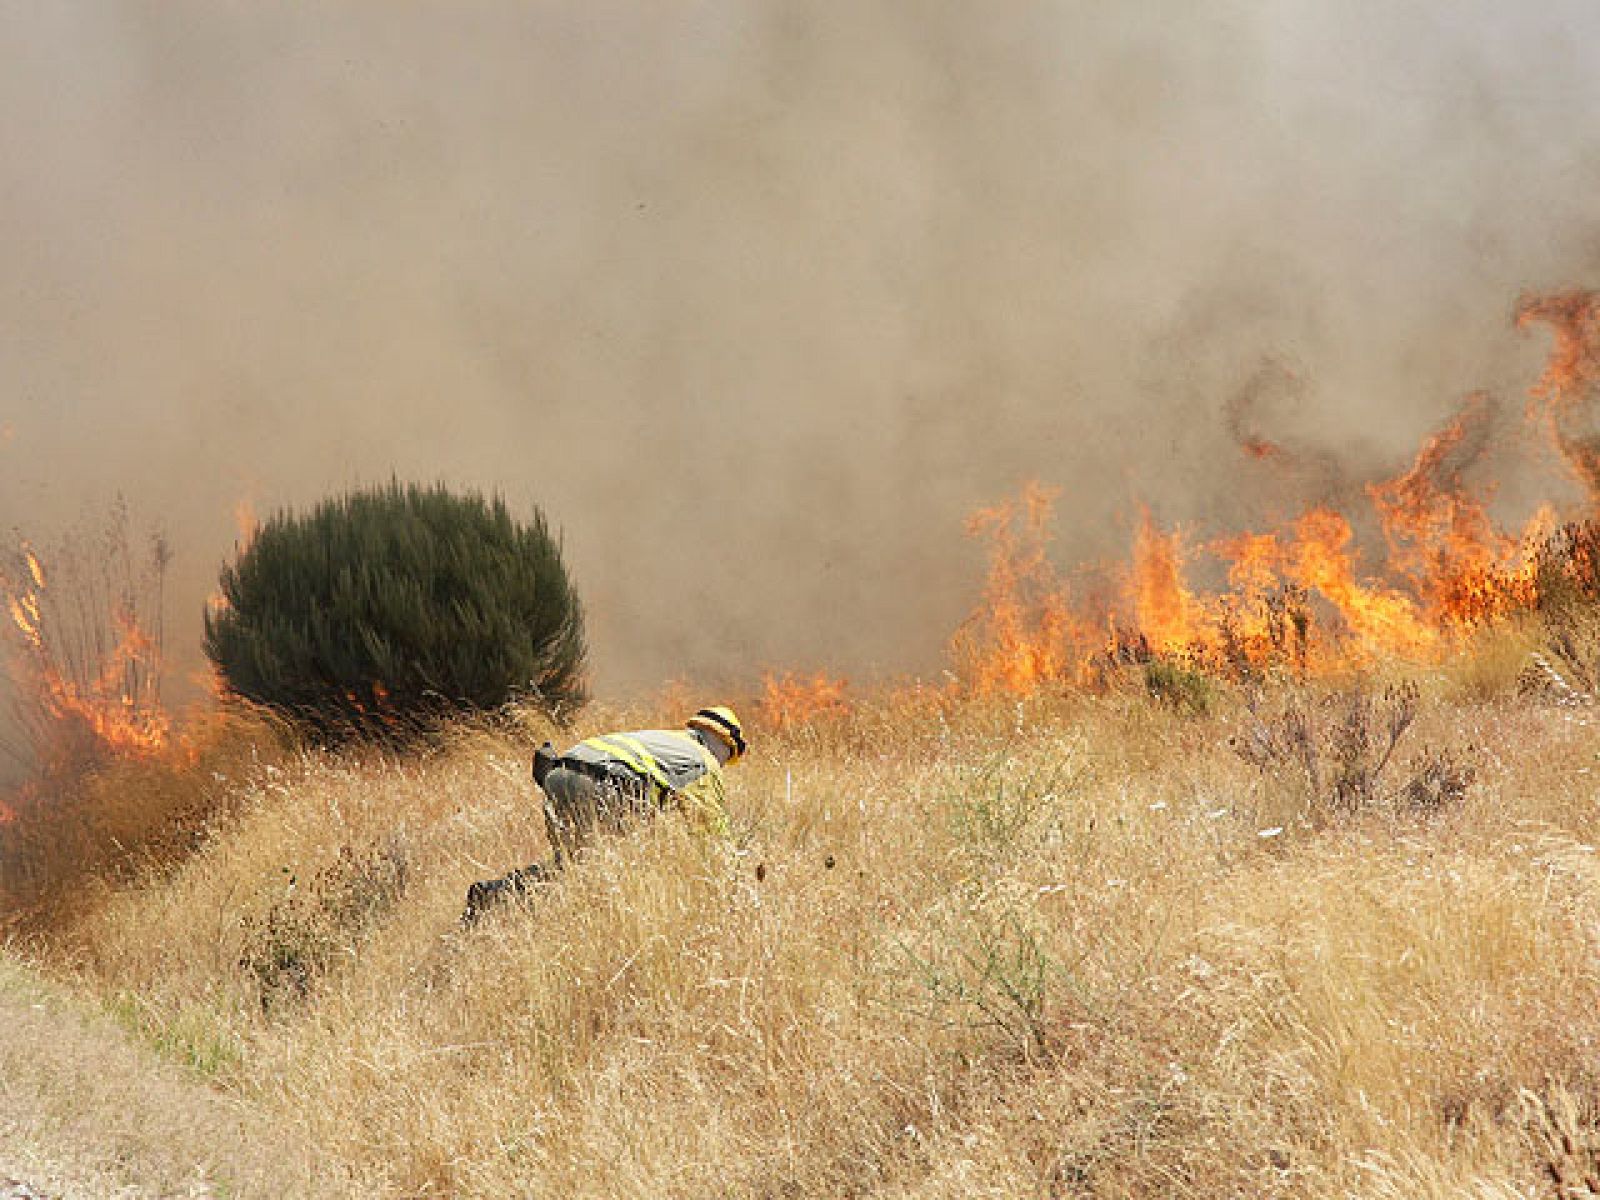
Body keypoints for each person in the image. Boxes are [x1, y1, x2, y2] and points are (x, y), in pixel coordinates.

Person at [463, 706, 747, 923]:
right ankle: (506, 901)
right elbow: (710, 831)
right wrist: (732, 881)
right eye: (728, 758)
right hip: (599, 786)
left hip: (558, 775)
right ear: (723, 744)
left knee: (572, 867)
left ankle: (496, 895)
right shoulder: (704, 760)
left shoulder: (665, 741)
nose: (724, 765)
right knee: (604, 872)